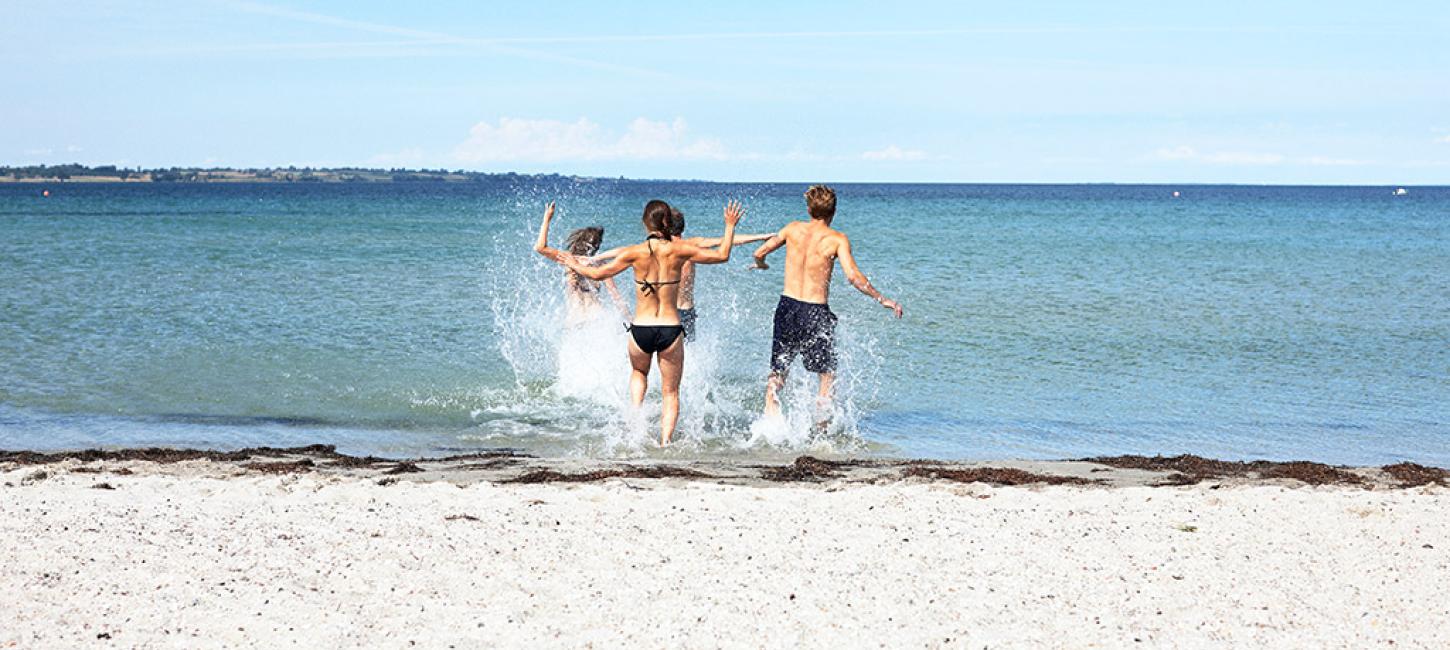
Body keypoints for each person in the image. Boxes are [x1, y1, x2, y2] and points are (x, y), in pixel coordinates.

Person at [535, 199, 744, 445]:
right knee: (670, 392)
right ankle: (666, 442)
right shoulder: (680, 251)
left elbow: (596, 273)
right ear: (667, 222)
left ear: (646, 223)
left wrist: (571, 261)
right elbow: (722, 254)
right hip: (670, 329)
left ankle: (635, 422)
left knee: (638, 373)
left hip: (641, 329)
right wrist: (729, 225)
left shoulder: (633, 253)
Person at [750, 185, 903, 421]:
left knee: (778, 372)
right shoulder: (837, 239)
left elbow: (759, 253)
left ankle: (770, 426)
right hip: (814, 312)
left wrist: (761, 265)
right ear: (834, 212)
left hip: (787, 307)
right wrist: (881, 298)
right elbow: (853, 277)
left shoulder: (792, 229)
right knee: (827, 374)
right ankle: (820, 433)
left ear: (809, 209)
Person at [592, 207, 771, 341]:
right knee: (682, 361)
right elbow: (728, 241)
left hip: (660, 312)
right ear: (682, 228)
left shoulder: (656, 247)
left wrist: (595, 258)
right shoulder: (691, 246)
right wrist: (761, 237)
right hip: (685, 312)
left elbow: (623, 251)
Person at [557, 226, 629, 326]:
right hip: (595, 314)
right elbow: (614, 294)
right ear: (596, 245)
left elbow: (541, 248)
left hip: (574, 316)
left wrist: (547, 219)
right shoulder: (600, 264)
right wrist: (629, 318)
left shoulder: (569, 260)